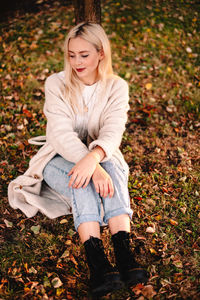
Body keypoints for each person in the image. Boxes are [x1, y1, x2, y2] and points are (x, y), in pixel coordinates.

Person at [8, 22, 149, 297]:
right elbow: (59, 135)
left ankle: (123, 254)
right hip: (57, 158)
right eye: (71, 55)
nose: (76, 62)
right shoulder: (56, 83)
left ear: (101, 54)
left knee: (112, 171)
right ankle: (97, 263)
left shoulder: (116, 86)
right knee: (81, 180)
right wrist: (90, 166)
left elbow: (113, 130)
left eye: (84, 55)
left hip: (101, 152)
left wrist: (94, 159)